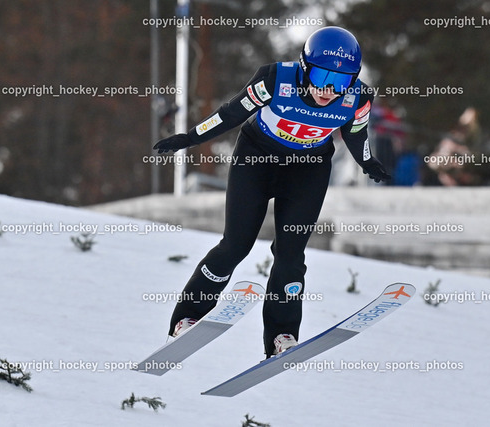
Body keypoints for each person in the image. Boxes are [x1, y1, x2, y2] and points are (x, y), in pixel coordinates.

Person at [153, 26, 390, 357]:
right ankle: (187, 319)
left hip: (308, 170)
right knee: (235, 246)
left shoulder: (358, 97)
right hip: (256, 160)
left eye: (341, 80)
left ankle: (282, 337)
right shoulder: (275, 79)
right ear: (305, 67)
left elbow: (356, 132)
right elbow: (230, 114)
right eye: (322, 76)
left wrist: (367, 162)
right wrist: (189, 138)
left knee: (291, 258)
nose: (329, 89)